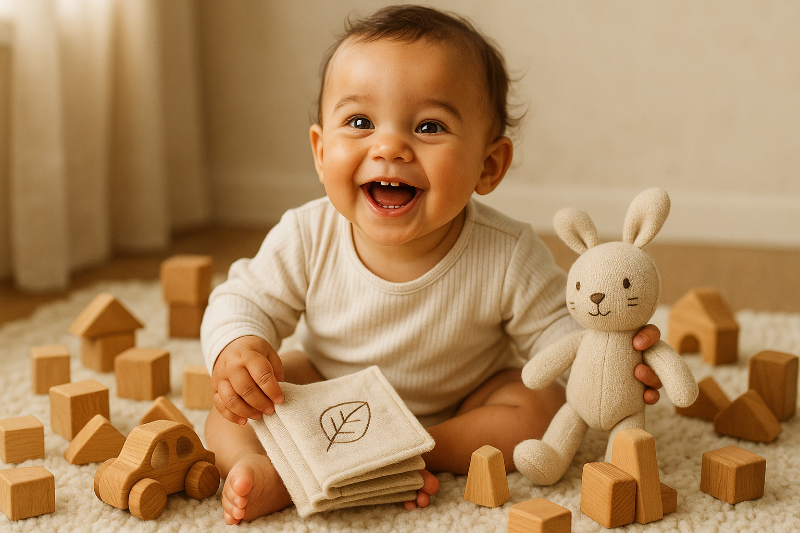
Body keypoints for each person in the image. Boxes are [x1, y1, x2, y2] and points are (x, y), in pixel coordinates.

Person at [201, 4, 664, 525]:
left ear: (488, 166)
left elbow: (560, 336)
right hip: (331, 393)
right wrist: (239, 349)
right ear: (320, 148)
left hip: (460, 405)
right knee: (234, 412)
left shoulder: (508, 251)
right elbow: (242, 298)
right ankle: (267, 471)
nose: (390, 146)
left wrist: (610, 357)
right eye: (359, 121)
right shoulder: (306, 234)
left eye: (428, 126)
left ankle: (408, 455)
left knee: (538, 407)